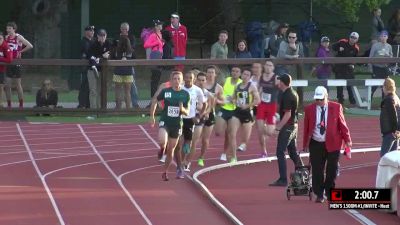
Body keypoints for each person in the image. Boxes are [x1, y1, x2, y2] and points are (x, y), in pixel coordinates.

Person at [303, 86, 352, 202]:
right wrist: (305, 144)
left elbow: (342, 125)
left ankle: (329, 192)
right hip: (316, 143)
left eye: (321, 99)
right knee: (317, 170)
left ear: (326, 97)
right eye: (317, 99)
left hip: (333, 143)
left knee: (332, 170)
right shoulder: (309, 109)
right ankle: (319, 194)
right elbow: (306, 128)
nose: (318, 101)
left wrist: (348, 140)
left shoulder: (336, 107)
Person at [149, 71, 190, 181]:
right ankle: (162, 148)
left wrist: (182, 110)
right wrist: (152, 116)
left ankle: (165, 171)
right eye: (174, 79)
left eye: (178, 79)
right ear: (171, 81)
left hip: (177, 125)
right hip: (165, 121)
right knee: (163, 141)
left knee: (171, 150)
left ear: (181, 81)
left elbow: (187, 111)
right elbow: (154, 100)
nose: (176, 81)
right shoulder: (166, 92)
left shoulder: (185, 94)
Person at [269, 73, 301, 187]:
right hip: (293, 126)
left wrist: (278, 128)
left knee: (280, 151)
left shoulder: (287, 95)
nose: (277, 82)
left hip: (288, 126)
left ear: (282, 82)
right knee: (292, 152)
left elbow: (287, 114)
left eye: (278, 80)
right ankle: (302, 173)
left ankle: (283, 179)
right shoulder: (292, 92)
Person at [228, 67, 260, 162]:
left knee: (245, 139)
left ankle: (244, 144)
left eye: (247, 75)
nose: (245, 76)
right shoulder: (237, 86)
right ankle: (233, 156)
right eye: (244, 74)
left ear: (250, 77)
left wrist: (247, 105)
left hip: (247, 113)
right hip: (237, 112)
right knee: (231, 133)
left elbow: (257, 100)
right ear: (241, 75)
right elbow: (234, 98)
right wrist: (233, 100)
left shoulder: (252, 86)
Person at [198, 65, 224, 166]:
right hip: (199, 113)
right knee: (195, 137)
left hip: (210, 114)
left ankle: (201, 157)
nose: (210, 74)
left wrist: (216, 100)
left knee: (205, 139)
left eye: (212, 72)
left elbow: (223, 101)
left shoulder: (218, 87)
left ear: (215, 74)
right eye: (208, 72)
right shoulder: (200, 83)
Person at [180, 71, 206, 172]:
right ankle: (179, 159)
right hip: (179, 118)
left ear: (194, 79)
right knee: (178, 141)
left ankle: (184, 162)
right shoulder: (180, 88)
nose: (187, 80)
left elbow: (204, 104)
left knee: (187, 142)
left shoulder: (197, 90)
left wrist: (199, 115)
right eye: (186, 77)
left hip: (190, 119)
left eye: (190, 78)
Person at [216, 66, 242, 162]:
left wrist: (234, 100)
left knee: (231, 134)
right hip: (223, 109)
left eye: (237, 71)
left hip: (234, 111)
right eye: (233, 71)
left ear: (240, 74)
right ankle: (225, 152)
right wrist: (219, 99)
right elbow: (219, 91)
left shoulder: (241, 84)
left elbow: (242, 100)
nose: (234, 73)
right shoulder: (226, 80)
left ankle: (233, 156)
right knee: (218, 131)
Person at [5, 21, 33, 108]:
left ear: (14, 29)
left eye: (9, 28)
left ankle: (21, 104)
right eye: (7, 28)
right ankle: (9, 104)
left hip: (17, 63)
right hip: (8, 62)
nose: (8, 30)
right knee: (7, 85)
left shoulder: (18, 37)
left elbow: (30, 46)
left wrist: (20, 51)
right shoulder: (6, 38)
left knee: (18, 84)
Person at [256, 61, 279, 158]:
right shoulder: (260, 77)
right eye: (267, 65)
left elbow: (282, 88)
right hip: (262, 105)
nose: (268, 67)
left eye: (270, 65)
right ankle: (263, 151)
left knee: (269, 132)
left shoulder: (276, 78)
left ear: (273, 68)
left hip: (272, 106)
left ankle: (276, 126)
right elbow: (259, 89)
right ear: (264, 66)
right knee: (260, 130)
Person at [331, 32, 360, 106]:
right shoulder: (342, 41)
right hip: (339, 68)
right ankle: (340, 102)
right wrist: (338, 48)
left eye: (354, 38)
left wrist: (353, 65)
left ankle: (352, 101)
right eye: (351, 37)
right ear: (349, 37)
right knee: (339, 86)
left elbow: (355, 58)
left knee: (349, 85)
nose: (352, 39)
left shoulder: (356, 48)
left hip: (348, 69)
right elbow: (333, 47)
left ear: (357, 39)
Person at [87, 29, 112, 109]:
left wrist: (106, 56)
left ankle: (101, 110)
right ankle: (94, 110)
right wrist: (101, 57)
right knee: (93, 91)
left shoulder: (108, 43)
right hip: (92, 70)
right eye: (100, 35)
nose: (102, 37)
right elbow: (92, 56)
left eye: (104, 35)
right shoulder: (93, 44)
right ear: (97, 36)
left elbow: (110, 54)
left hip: (102, 71)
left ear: (106, 36)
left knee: (101, 91)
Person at [118, 22, 139, 108]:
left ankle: (135, 104)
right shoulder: (117, 38)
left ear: (128, 29)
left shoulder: (131, 37)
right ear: (120, 29)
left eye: (126, 29)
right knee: (118, 86)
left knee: (132, 84)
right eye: (123, 29)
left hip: (129, 64)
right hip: (119, 64)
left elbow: (131, 49)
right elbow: (116, 49)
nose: (124, 30)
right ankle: (118, 106)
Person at [112, 35, 135, 109]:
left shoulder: (116, 50)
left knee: (118, 91)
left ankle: (118, 108)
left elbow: (112, 58)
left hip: (118, 72)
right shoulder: (131, 51)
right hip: (128, 72)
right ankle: (128, 109)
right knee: (127, 92)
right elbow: (135, 59)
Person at [379, 78, 400, 157]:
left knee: (384, 156)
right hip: (396, 132)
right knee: (393, 156)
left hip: (390, 132)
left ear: (385, 87)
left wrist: (395, 130)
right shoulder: (396, 98)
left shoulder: (388, 99)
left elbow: (393, 115)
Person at [369, 30, 393, 99]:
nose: (383, 38)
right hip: (376, 68)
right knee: (374, 85)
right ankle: (368, 101)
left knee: (385, 86)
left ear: (387, 37)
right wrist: (370, 68)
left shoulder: (389, 46)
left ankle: (384, 103)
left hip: (385, 68)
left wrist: (388, 56)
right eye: (382, 36)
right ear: (379, 37)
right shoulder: (375, 45)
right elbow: (370, 57)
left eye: (384, 36)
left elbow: (391, 57)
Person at [144, 19, 164, 98]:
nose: (161, 26)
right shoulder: (153, 35)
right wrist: (156, 42)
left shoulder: (160, 34)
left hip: (160, 55)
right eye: (160, 24)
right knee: (155, 78)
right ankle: (153, 98)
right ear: (156, 26)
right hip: (155, 55)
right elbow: (146, 45)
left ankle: (156, 97)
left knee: (158, 77)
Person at [77, 25, 94, 109]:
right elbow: (86, 54)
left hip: (91, 68)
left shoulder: (91, 41)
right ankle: (82, 104)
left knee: (89, 87)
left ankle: (88, 104)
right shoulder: (84, 41)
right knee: (84, 86)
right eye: (90, 31)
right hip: (85, 68)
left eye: (92, 31)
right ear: (86, 32)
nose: (92, 32)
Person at [0, 32, 13, 107]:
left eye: (0, 38)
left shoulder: (5, 46)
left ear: (3, 39)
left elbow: (9, 59)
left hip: (1, 70)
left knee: (1, 87)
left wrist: (0, 59)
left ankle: (1, 103)